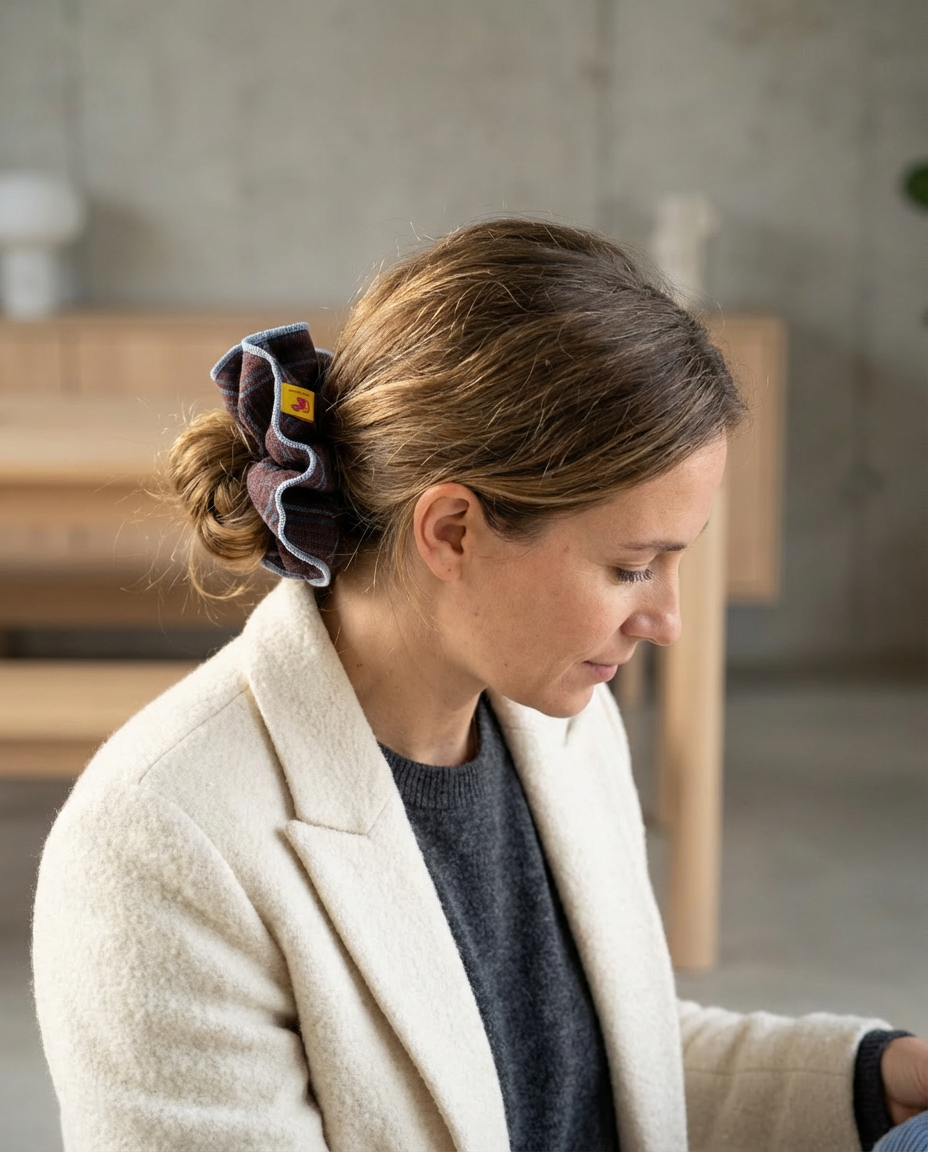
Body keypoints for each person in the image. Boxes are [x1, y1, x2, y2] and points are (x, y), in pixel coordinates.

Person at [32, 220, 927, 1151]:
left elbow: (590, 1075)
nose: (665, 620)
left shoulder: (558, 723)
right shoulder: (160, 842)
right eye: (631, 567)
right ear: (453, 530)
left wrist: (870, 1082)